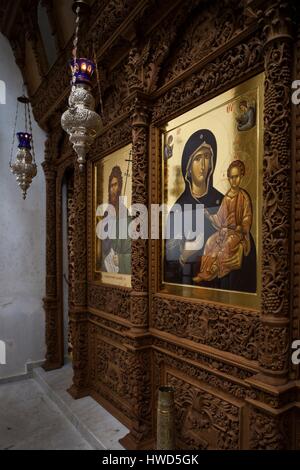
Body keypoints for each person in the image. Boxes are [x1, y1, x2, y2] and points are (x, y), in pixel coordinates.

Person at [164, 129, 256, 292]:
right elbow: (167, 264)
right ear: (188, 166)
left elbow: (245, 232)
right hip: (188, 291)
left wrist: (242, 250)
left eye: (207, 157)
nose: (203, 165)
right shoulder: (178, 210)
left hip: (223, 291)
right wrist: (183, 257)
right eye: (198, 158)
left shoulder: (224, 200)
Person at [193, 160, 252, 282]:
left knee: (224, 248)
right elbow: (220, 217)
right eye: (231, 177)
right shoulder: (226, 197)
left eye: (236, 177)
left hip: (237, 233)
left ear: (241, 176)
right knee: (210, 243)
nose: (233, 180)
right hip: (224, 231)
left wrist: (242, 227)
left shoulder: (243, 197)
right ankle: (204, 272)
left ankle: (214, 270)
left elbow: (247, 217)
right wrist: (209, 216)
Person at [101, 166, 131, 275]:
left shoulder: (126, 216)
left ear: (120, 187)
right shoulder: (106, 215)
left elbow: (134, 253)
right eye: (111, 186)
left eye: (115, 185)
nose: (113, 189)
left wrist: (121, 260)